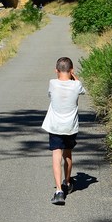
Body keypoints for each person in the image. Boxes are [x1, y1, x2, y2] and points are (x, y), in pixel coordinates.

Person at [42, 56, 86, 206]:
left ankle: (59, 191)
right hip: (70, 126)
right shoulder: (77, 85)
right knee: (68, 154)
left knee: (56, 154)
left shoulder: (52, 83)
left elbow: (50, 95)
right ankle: (67, 182)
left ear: (56, 70)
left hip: (55, 126)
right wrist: (75, 77)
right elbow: (82, 90)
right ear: (71, 70)